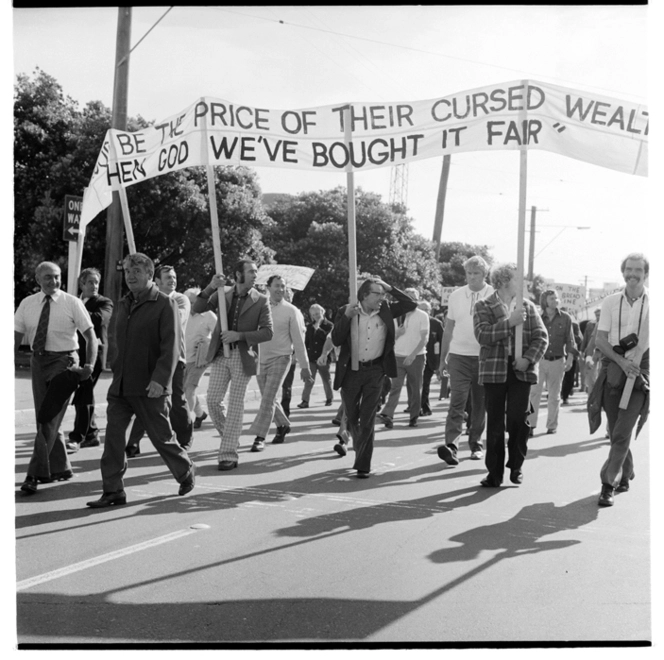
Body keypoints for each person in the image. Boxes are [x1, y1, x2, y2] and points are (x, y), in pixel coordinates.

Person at [86, 253, 195, 507]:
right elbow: (116, 339)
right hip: (122, 385)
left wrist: (160, 380)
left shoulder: (165, 303)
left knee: (161, 437)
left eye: (136, 271)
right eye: (127, 272)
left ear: (149, 274)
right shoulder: (123, 303)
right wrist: (114, 365)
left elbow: (171, 348)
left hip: (150, 386)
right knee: (113, 440)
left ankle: (185, 470)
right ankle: (113, 490)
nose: (131, 276)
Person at [15, 262, 98, 494]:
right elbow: (14, 336)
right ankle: (61, 468)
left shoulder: (73, 303)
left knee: (48, 418)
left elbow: (91, 337)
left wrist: (89, 365)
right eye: (48, 277)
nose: (54, 281)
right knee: (48, 415)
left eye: (57, 277)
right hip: (38, 362)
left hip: (65, 363)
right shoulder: (27, 304)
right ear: (37, 279)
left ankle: (34, 473)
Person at [331, 278, 418, 477]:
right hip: (352, 371)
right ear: (364, 295)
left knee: (367, 417)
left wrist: (389, 287)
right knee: (352, 415)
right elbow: (336, 338)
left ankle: (363, 465)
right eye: (377, 294)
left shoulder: (386, 309)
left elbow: (410, 304)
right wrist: (346, 317)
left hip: (375, 371)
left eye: (383, 294)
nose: (382, 297)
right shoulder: (347, 310)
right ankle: (357, 443)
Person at [192, 259, 273, 471]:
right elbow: (197, 307)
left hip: (242, 355)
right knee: (213, 401)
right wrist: (211, 286)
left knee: (236, 405)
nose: (255, 275)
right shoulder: (222, 294)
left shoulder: (261, 300)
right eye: (251, 272)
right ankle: (231, 436)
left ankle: (228, 453)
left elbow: (267, 332)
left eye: (256, 272)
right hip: (220, 355)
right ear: (238, 275)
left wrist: (239, 335)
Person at [474, 264, 548, 487]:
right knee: (495, 423)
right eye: (519, 279)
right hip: (494, 370)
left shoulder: (528, 306)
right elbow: (482, 334)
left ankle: (516, 465)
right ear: (506, 281)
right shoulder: (484, 305)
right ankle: (494, 473)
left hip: (520, 369)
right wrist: (510, 323)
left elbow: (541, 337)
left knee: (518, 419)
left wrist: (528, 359)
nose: (523, 284)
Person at [591, 253, 649, 507]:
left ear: (646, 274)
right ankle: (627, 472)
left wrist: (637, 364)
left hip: (642, 371)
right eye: (629, 269)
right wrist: (623, 362)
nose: (633, 274)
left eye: (638, 270)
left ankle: (608, 484)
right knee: (616, 431)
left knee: (623, 431)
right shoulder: (611, 301)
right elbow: (600, 340)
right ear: (623, 272)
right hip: (614, 367)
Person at [125, 264, 193, 456]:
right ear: (156, 281)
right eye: (168, 277)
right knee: (146, 400)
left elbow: (174, 322)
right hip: (149, 359)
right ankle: (133, 442)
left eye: (174, 277)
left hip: (174, 358)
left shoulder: (180, 300)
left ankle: (185, 440)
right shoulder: (147, 300)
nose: (172, 280)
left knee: (177, 403)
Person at [437, 256, 494, 465]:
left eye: (476, 273)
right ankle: (451, 445)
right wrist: (442, 359)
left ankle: (476, 443)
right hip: (458, 356)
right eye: (468, 273)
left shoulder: (493, 295)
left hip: (484, 356)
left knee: (479, 404)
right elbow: (448, 329)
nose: (471, 277)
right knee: (457, 400)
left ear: (484, 274)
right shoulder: (456, 295)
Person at [249, 275, 312, 450]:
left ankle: (259, 437)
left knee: (268, 399)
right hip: (261, 359)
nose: (280, 289)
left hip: (282, 358)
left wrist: (305, 367)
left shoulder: (292, 311)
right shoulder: (259, 307)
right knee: (268, 398)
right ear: (268, 287)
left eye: (283, 286)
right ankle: (283, 424)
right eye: (276, 286)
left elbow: (299, 341)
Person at [66, 267, 113, 452]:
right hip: (73, 353)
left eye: (96, 282)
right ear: (82, 284)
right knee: (83, 393)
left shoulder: (104, 302)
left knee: (83, 393)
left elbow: (98, 319)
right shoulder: (73, 301)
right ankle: (92, 433)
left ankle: (78, 436)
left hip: (94, 355)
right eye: (90, 282)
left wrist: (74, 313)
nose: (94, 286)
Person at [526, 290, 577, 435]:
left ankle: (552, 425)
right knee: (534, 393)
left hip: (557, 360)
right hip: (539, 361)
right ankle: (530, 425)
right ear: (545, 301)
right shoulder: (537, 316)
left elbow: (570, 339)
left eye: (557, 298)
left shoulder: (566, 318)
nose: (556, 300)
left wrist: (570, 358)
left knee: (554, 396)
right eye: (552, 298)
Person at [378, 287, 428, 428]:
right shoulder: (395, 315)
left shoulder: (422, 315)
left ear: (417, 299)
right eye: (407, 296)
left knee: (415, 388)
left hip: (416, 357)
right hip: (397, 356)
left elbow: (425, 338)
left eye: (413, 296)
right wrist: (397, 334)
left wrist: (413, 355)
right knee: (395, 387)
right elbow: (387, 337)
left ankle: (414, 416)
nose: (410, 299)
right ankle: (388, 415)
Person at [182, 287, 217, 430]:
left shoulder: (209, 315)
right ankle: (200, 414)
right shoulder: (181, 312)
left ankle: (185, 424)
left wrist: (207, 343)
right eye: (189, 302)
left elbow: (219, 335)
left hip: (200, 359)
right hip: (183, 357)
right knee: (183, 390)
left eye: (195, 302)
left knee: (189, 390)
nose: (193, 306)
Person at [297, 303, 334, 409]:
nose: (316, 316)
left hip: (323, 357)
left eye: (317, 314)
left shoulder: (329, 325)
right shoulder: (309, 327)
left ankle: (329, 398)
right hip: (311, 357)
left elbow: (329, 339)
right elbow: (306, 342)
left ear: (322, 312)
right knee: (309, 379)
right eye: (313, 315)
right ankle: (305, 400)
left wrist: (319, 330)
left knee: (326, 379)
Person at [418, 300, 444, 417]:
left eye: (427, 309)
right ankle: (420, 407)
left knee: (425, 383)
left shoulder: (436, 323)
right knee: (417, 385)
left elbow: (442, 341)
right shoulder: (414, 322)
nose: (425, 312)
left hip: (430, 359)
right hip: (415, 357)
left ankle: (423, 407)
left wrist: (441, 360)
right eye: (422, 309)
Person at [560, 311, 583, 404]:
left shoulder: (574, 325)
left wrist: (571, 336)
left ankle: (565, 395)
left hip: (570, 354)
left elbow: (579, 339)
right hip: (559, 353)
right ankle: (559, 393)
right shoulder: (555, 323)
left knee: (569, 376)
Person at [580, 308, 602, 395]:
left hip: (604, 353)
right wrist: (582, 351)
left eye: (600, 314)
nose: (598, 316)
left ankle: (598, 396)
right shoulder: (590, 324)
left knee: (600, 375)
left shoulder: (608, 323)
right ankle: (591, 397)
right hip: (592, 352)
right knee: (590, 375)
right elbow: (586, 338)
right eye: (597, 315)